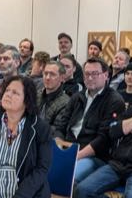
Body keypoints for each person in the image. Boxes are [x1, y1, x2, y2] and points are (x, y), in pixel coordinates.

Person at [54, 56, 125, 185]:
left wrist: (76, 156)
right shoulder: (77, 97)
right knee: (41, 171)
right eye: (87, 74)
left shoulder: (114, 101)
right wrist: (59, 150)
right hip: (68, 149)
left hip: (93, 156)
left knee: (68, 178)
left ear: (105, 75)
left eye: (95, 74)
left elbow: (103, 139)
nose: (90, 78)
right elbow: (61, 126)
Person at [38, 60, 71, 125]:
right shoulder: (36, 96)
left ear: (62, 78)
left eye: (52, 74)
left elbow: (56, 130)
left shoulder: (66, 103)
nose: (47, 78)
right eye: (45, 73)